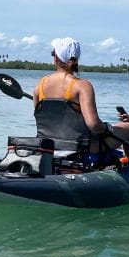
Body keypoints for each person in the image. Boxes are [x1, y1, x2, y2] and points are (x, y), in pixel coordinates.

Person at [32, 37, 117, 166]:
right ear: (77, 59)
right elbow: (94, 125)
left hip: (49, 145)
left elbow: (41, 118)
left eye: (53, 53)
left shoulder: (40, 84)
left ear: (56, 58)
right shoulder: (82, 86)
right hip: (81, 147)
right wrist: (107, 127)